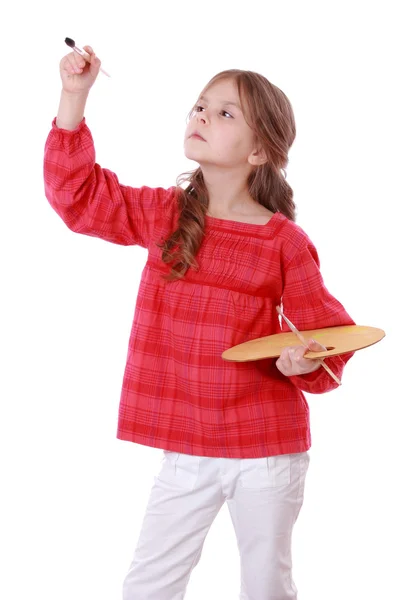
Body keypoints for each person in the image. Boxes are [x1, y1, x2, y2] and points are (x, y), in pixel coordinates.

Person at [43, 45, 355, 600]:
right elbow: (78, 196)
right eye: (199, 106)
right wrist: (74, 96)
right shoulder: (163, 214)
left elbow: (329, 338)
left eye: (225, 112)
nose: (201, 116)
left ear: (260, 150)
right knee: (149, 585)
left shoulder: (283, 240)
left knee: (266, 586)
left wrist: (302, 360)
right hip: (188, 446)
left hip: (268, 448)